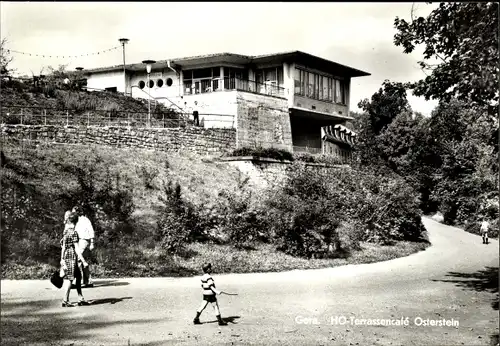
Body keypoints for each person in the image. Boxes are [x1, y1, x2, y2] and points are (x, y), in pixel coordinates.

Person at [60, 212, 90, 307]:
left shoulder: (66, 232)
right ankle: (65, 300)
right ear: (76, 221)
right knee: (70, 279)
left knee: (78, 276)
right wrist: (84, 261)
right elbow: (77, 248)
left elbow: (63, 247)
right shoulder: (74, 233)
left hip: (66, 256)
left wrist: (62, 259)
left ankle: (80, 298)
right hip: (72, 256)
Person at [74, 206, 95, 287]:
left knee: (79, 259)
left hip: (84, 240)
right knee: (83, 261)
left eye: (74, 212)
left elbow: (91, 230)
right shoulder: (77, 220)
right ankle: (88, 281)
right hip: (79, 241)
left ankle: (79, 281)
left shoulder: (85, 220)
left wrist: (92, 242)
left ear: (78, 212)